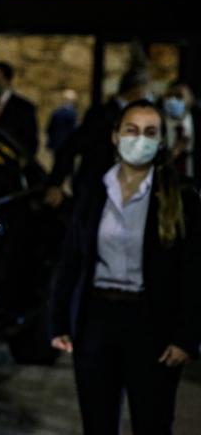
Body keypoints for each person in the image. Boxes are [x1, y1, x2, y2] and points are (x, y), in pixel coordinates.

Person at [50, 100, 201, 435]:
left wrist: (188, 337)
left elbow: (193, 273)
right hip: (96, 320)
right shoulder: (93, 189)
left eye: (150, 132)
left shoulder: (182, 196)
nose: (140, 139)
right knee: (97, 423)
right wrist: (59, 319)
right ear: (116, 136)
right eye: (131, 130)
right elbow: (72, 258)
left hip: (152, 324)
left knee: (153, 422)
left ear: (161, 141)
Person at [45, 68, 151, 206]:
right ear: (137, 89)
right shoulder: (101, 115)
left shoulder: (139, 117)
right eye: (147, 89)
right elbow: (71, 146)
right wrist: (55, 183)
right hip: (96, 192)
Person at [162, 81, 200, 186]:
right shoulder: (156, 124)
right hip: (167, 186)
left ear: (191, 99)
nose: (172, 100)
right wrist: (171, 155)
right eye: (169, 95)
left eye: (179, 96)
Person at [46, 88, 79, 154]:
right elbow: (73, 129)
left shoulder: (57, 112)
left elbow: (49, 128)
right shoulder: (72, 113)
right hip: (67, 144)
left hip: (56, 143)